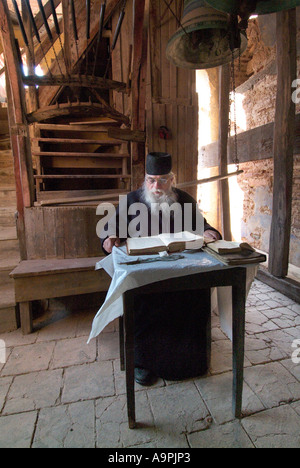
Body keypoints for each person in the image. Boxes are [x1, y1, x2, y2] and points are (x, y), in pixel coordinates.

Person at [101, 152, 221, 385]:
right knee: (142, 300)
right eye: (151, 180)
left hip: (180, 270)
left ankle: (190, 362)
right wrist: (110, 238)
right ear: (145, 179)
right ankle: (142, 363)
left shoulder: (185, 200)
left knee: (197, 293)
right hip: (147, 274)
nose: (157, 186)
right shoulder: (131, 201)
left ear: (172, 179)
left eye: (163, 180)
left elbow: (203, 225)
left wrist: (210, 231)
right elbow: (111, 230)